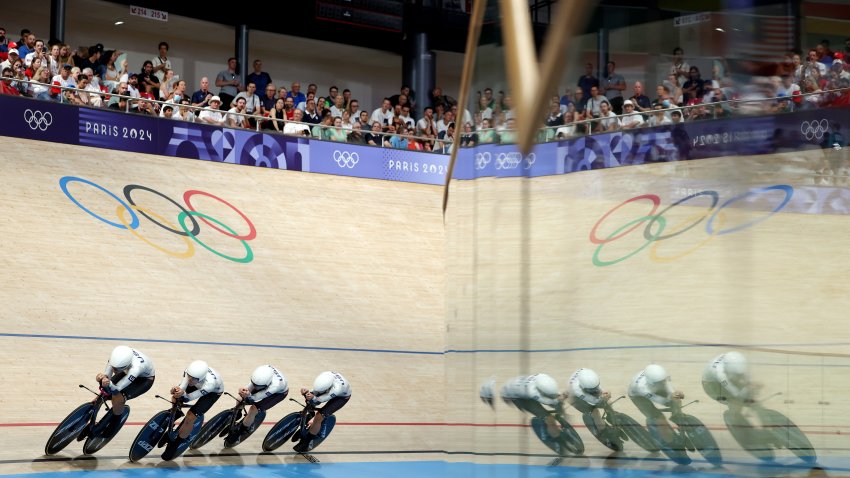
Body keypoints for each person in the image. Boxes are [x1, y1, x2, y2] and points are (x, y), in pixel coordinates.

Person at [92, 346, 155, 435]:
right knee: (104, 393)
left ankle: (114, 423)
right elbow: (107, 375)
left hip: (143, 380)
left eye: (116, 369)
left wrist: (109, 384)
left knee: (118, 397)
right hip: (125, 370)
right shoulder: (116, 358)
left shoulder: (136, 368)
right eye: (113, 367)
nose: (114, 370)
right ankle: (92, 410)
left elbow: (117, 389)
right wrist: (102, 377)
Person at [168, 360, 223, 454]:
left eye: (193, 379)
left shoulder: (210, 384)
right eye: (189, 377)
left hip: (212, 393)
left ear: (201, 378)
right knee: (175, 398)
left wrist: (183, 395)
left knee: (190, 416)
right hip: (198, 385)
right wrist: (177, 390)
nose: (190, 380)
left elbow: (189, 398)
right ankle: (176, 413)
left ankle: (177, 442)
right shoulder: (190, 373)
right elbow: (183, 386)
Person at [628, 364, 684, 443]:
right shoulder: (642, 388)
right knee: (658, 417)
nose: (663, 383)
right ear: (651, 383)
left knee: (676, 400)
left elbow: (669, 388)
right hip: (638, 396)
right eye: (660, 382)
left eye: (663, 381)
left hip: (654, 386)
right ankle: (671, 443)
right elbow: (661, 400)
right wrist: (671, 398)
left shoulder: (662, 376)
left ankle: (678, 419)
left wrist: (675, 395)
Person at [297, 371, 351, 452]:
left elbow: (321, 399)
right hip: (330, 388)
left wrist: (313, 398)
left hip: (341, 397)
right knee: (310, 402)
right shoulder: (325, 377)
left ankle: (308, 441)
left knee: (319, 416)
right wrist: (308, 393)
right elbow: (316, 391)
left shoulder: (337, 389)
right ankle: (309, 419)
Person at [500, 374, 564, 442]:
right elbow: (548, 402)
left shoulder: (542, 377)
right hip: (517, 398)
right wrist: (559, 400)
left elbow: (553, 393)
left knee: (557, 400)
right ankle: (555, 438)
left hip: (515, 387)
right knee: (548, 416)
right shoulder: (532, 392)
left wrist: (559, 396)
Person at [236, 365, 288, 435]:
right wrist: (244, 391)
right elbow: (250, 387)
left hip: (278, 394)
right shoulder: (261, 373)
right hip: (264, 384)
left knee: (253, 409)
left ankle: (243, 429)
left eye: (258, 386)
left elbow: (255, 398)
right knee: (240, 398)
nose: (255, 387)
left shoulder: (276, 386)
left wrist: (248, 395)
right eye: (254, 384)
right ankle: (238, 412)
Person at [566, 369, 611, 439]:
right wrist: (602, 398)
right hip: (575, 399)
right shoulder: (577, 391)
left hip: (586, 387)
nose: (595, 390)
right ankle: (603, 432)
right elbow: (594, 401)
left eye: (596, 387)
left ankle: (611, 415)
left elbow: (599, 390)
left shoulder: (591, 379)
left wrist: (605, 394)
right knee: (595, 412)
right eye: (591, 390)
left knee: (608, 402)